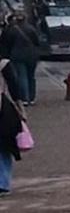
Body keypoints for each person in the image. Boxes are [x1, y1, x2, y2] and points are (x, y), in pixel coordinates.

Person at [0, 15, 39, 106]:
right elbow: (37, 42)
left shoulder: (10, 30)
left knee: (22, 76)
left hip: (17, 55)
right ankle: (32, 97)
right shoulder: (31, 29)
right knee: (31, 77)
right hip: (32, 55)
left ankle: (24, 98)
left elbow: (5, 44)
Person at [0, 59, 25, 196]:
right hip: (2, 108)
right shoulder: (4, 64)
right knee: (3, 146)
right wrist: (20, 108)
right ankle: (2, 183)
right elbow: (14, 86)